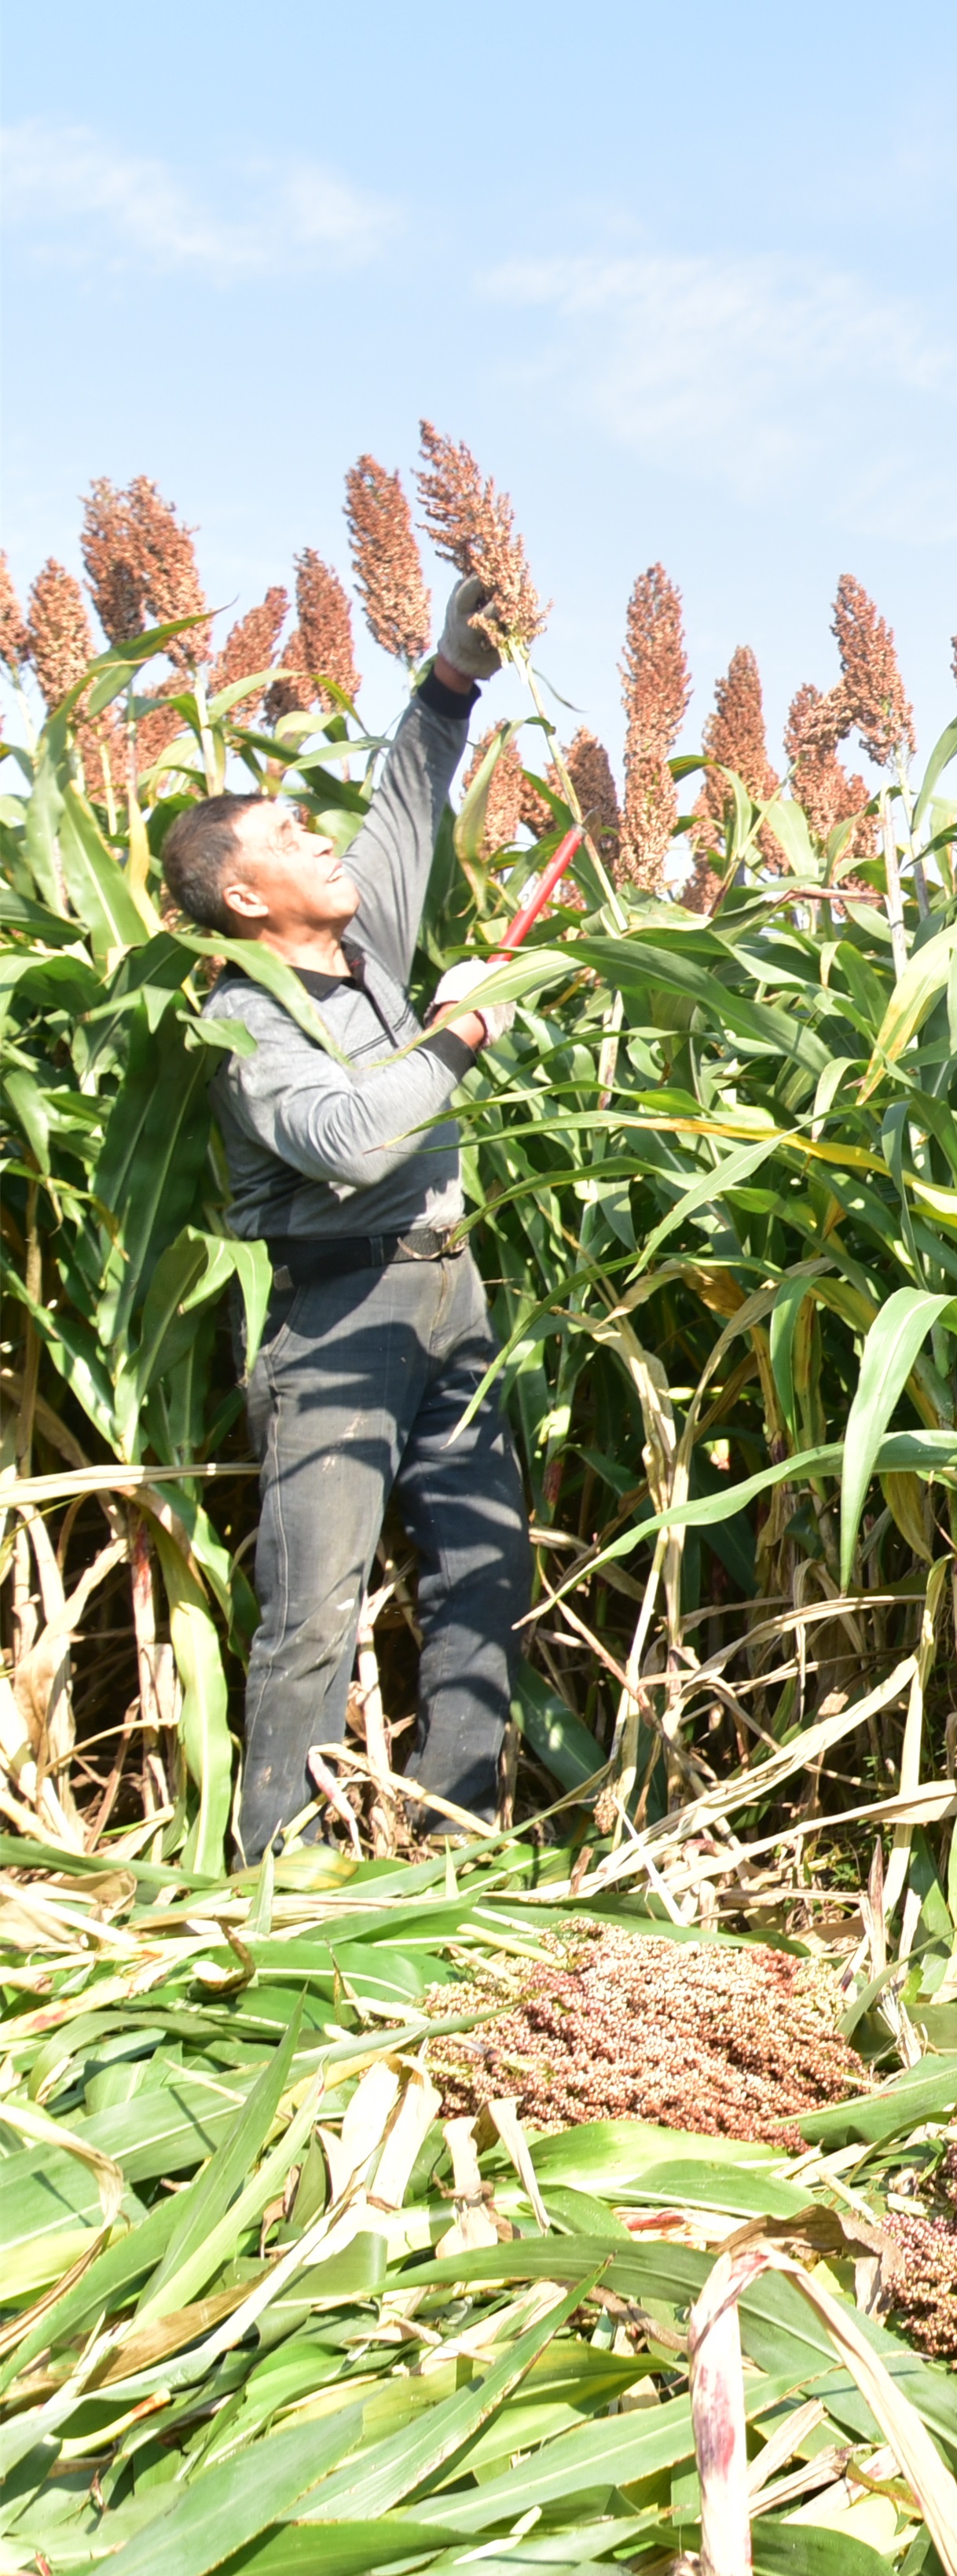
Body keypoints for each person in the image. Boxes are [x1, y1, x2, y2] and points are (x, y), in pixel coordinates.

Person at [163, 576, 527, 1863]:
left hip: (451, 1289)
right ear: (245, 898)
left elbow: (404, 802)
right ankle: (282, 1878)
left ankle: (457, 1842)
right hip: (339, 1317)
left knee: (483, 1564)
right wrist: (462, 1032)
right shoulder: (243, 1015)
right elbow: (344, 1135)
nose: (319, 838)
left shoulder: (363, 936)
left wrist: (451, 675)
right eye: (286, 833)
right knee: (313, 1611)